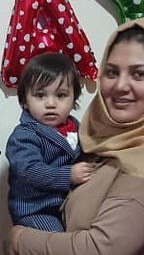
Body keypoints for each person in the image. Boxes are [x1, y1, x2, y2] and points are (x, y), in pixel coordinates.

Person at [3, 17, 144, 255]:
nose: (120, 86)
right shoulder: (104, 143)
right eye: (112, 72)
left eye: (139, 74)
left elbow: (99, 253)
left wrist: (19, 241)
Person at [6, 52, 94, 234]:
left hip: (66, 204)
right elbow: (29, 171)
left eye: (61, 95)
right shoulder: (25, 134)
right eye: (40, 95)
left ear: (74, 99)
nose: (51, 103)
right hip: (36, 210)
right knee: (58, 246)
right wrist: (68, 175)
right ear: (24, 101)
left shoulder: (76, 128)